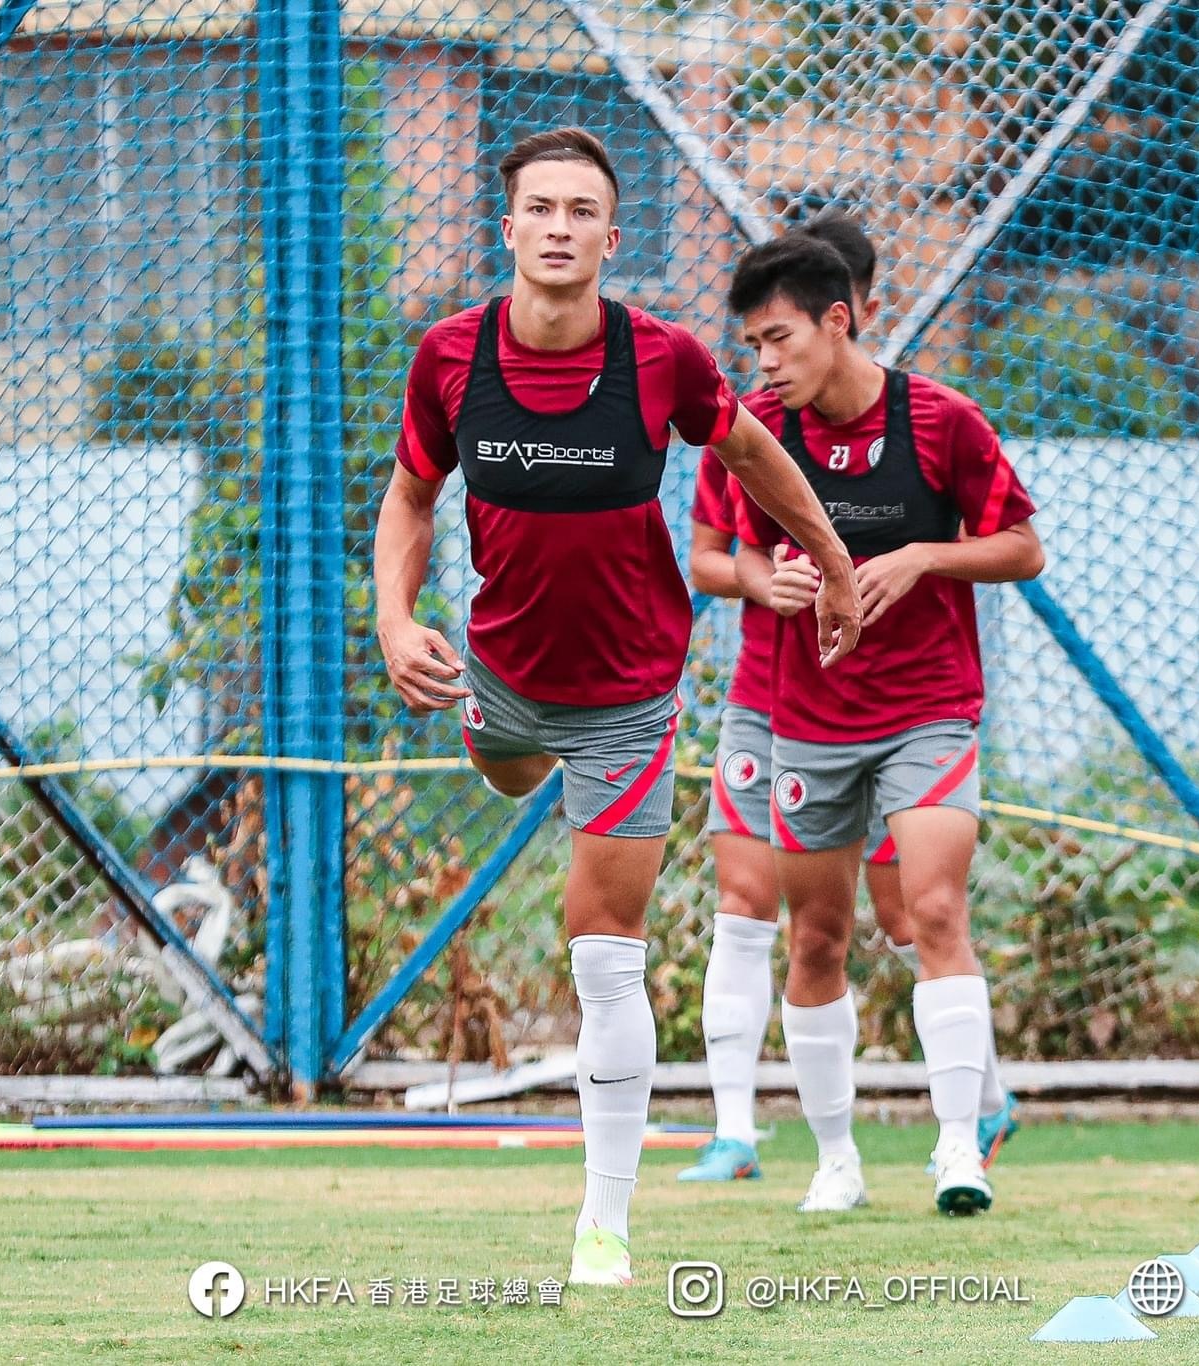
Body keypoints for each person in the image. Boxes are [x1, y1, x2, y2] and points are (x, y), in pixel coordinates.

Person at [372, 128, 862, 1287]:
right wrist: (395, 622)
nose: (557, 226)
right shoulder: (449, 358)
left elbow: (748, 454)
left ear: (607, 233)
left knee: (603, 955)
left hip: (631, 694)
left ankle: (604, 1226)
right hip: (498, 681)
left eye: (580, 210)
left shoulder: (663, 358)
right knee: (504, 770)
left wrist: (834, 560)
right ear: (508, 228)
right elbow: (408, 499)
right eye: (537, 207)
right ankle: (520, 757)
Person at [679, 214, 1019, 1187]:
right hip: (795, 716)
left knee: (929, 910)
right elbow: (717, 556)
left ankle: (962, 1141)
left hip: (924, 709)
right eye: (750, 344)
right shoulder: (747, 434)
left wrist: (922, 555)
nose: (762, 360)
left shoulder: (939, 420)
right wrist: (758, 580)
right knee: (805, 931)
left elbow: (1021, 547)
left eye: (775, 337)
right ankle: (805, 1151)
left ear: (846, 318)